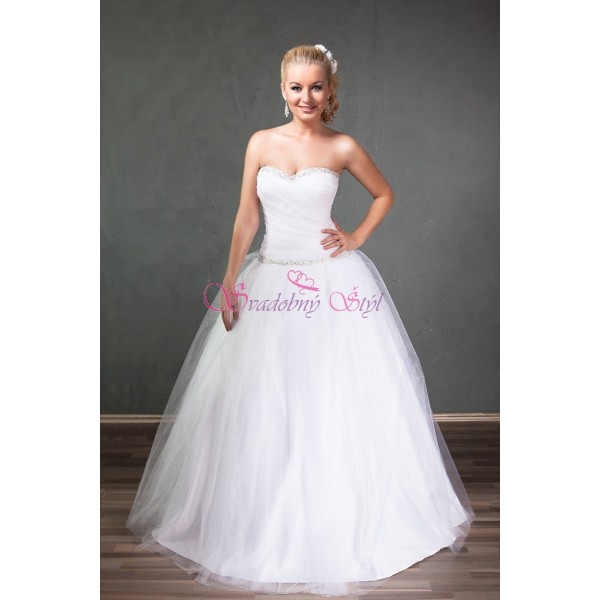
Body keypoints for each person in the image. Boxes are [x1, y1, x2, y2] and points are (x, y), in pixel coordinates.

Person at [126, 43, 475, 597]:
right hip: (270, 279)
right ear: (282, 90)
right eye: (296, 87)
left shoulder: (342, 146)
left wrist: (355, 237)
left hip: (329, 282)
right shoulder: (261, 143)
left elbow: (384, 194)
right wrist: (232, 281)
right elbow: (247, 216)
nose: (305, 97)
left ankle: (333, 516)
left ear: (329, 90)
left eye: (316, 86)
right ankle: (262, 515)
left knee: (329, 396)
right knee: (262, 400)